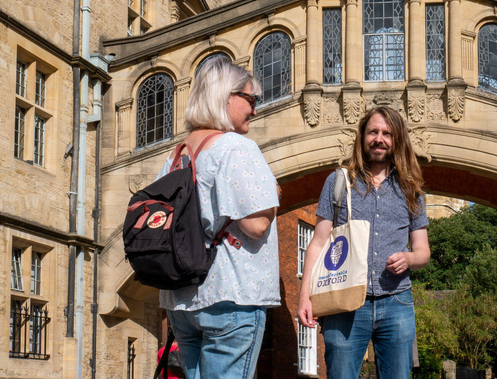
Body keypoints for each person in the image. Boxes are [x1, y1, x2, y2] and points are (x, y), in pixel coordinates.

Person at [157, 57, 280, 379]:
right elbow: (256, 225)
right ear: (227, 96)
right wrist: (274, 198)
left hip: (182, 300)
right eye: (251, 100)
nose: (255, 109)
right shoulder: (236, 147)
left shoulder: (175, 155)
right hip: (232, 295)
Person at [297, 106, 431, 379]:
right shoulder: (338, 181)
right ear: (362, 136)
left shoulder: (411, 189)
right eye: (373, 132)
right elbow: (318, 242)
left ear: (397, 140)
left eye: (386, 134)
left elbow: (423, 251)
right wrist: (304, 296)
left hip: (396, 301)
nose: (379, 139)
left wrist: (409, 258)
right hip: (343, 301)